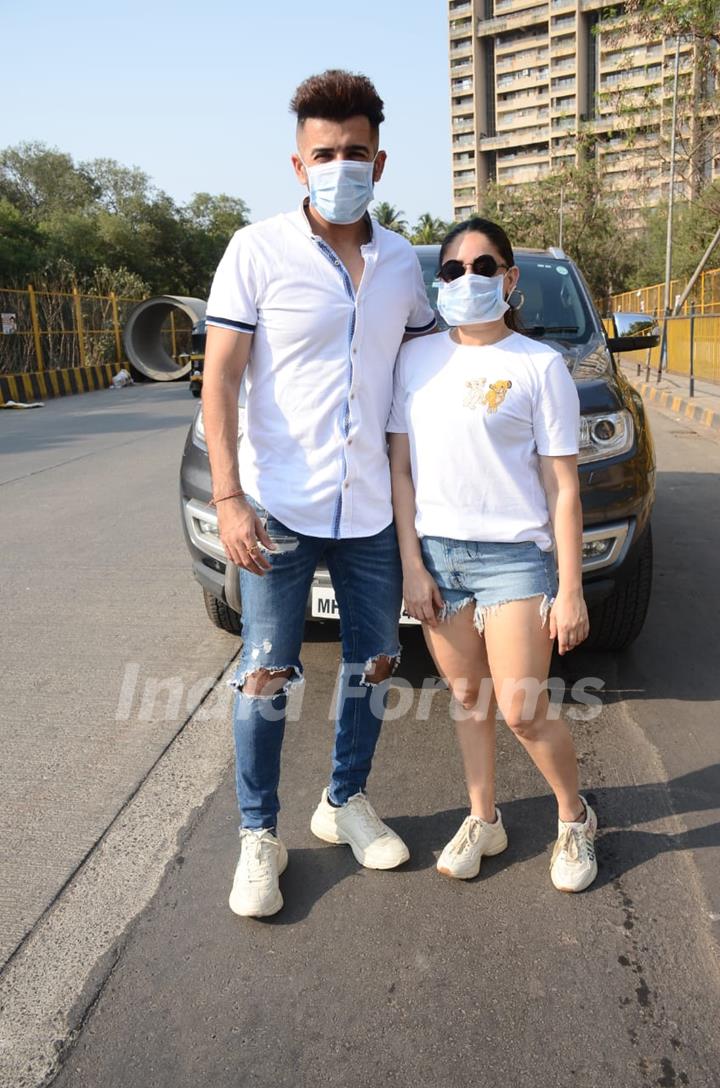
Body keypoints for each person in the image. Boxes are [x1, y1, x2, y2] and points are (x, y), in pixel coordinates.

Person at [202, 70, 437, 918]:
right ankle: (258, 836)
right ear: (299, 163)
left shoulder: (404, 261)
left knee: (376, 664)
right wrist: (228, 499)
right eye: (324, 153)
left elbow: (428, 368)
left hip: (372, 510)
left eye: (356, 152)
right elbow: (220, 382)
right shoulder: (254, 251)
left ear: (381, 159)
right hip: (277, 506)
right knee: (268, 672)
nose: (342, 164)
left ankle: (342, 801)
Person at [388, 217, 598, 893]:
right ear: (438, 284)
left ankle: (574, 818)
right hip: (440, 558)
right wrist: (412, 564)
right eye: (453, 270)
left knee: (522, 708)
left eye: (485, 266)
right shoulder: (414, 360)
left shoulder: (540, 366)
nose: (469, 279)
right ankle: (486, 818)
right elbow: (400, 472)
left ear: (509, 279)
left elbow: (563, 486)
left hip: (515, 559)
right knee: (468, 699)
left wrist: (570, 588)